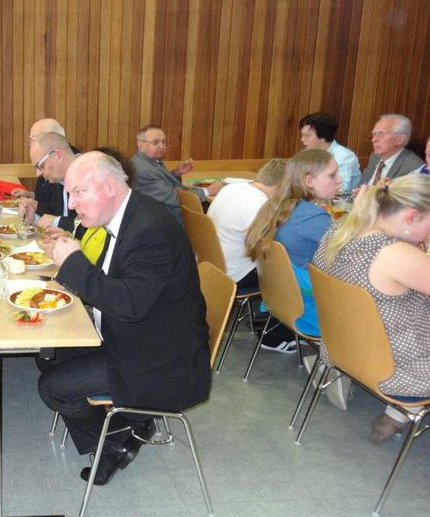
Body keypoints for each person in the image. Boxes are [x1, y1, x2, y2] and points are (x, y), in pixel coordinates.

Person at [37, 152, 210, 487]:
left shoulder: (150, 228)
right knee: (48, 352)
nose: (72, 204)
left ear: (110, 186)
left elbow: (129, 304)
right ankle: (128, 425)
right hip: (133, 334)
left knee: (52, 388)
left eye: (79, 192)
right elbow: (113, 286)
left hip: (162, 360)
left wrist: (72, 263)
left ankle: (117, 437)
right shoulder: (125, 217)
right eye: (70, 194)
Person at [313, 175, 430, 442]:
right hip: (399, 368)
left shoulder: (339, 231)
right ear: (411, 216)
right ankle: (402, 411)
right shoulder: (398, 255)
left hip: (346, 351)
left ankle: (400, 414)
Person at [244, 149, 341, 353]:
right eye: (332, 175)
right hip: (310, 311)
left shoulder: (279, 205)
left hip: (283, 301)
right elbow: (353, 251)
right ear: (309, 181)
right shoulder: (313, 218)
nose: (339, 180)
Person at [207, 159, 286, 293]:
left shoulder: (231, 188)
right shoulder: (259, 203)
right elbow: (267, 249)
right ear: (281, 187)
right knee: (290, 269)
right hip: (235, 274)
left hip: (213, 265)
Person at [131, 124, 222, 221]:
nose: (161, 146)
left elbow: (161, 183)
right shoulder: (144, 170)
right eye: (156, 142)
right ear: (141, 146)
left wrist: (176, 172)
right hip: (168, 220)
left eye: (163, 142)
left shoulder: (148, 161)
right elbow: (175, 198)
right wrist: (207, 191)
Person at [19, 132, 78, 230]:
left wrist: (57, 222)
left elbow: (91, 228)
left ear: (58, 156)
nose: (38, 174)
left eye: (41, 166)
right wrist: (34, 219)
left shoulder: (88, 177)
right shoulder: (60, 180)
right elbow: (56, 217)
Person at [298, 112, 360, 193]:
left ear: (323, 136)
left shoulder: (344, 156)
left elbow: (340, 189)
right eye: (302, 135)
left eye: (307, 136)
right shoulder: (306, 154)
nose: (302, 139)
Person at [358, 114, 423, 186]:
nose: (374, 140)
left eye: (381, 134)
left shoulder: (413, 169)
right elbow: (362, 184)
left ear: (399, 139)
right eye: (374, 134)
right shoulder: (375, 157)